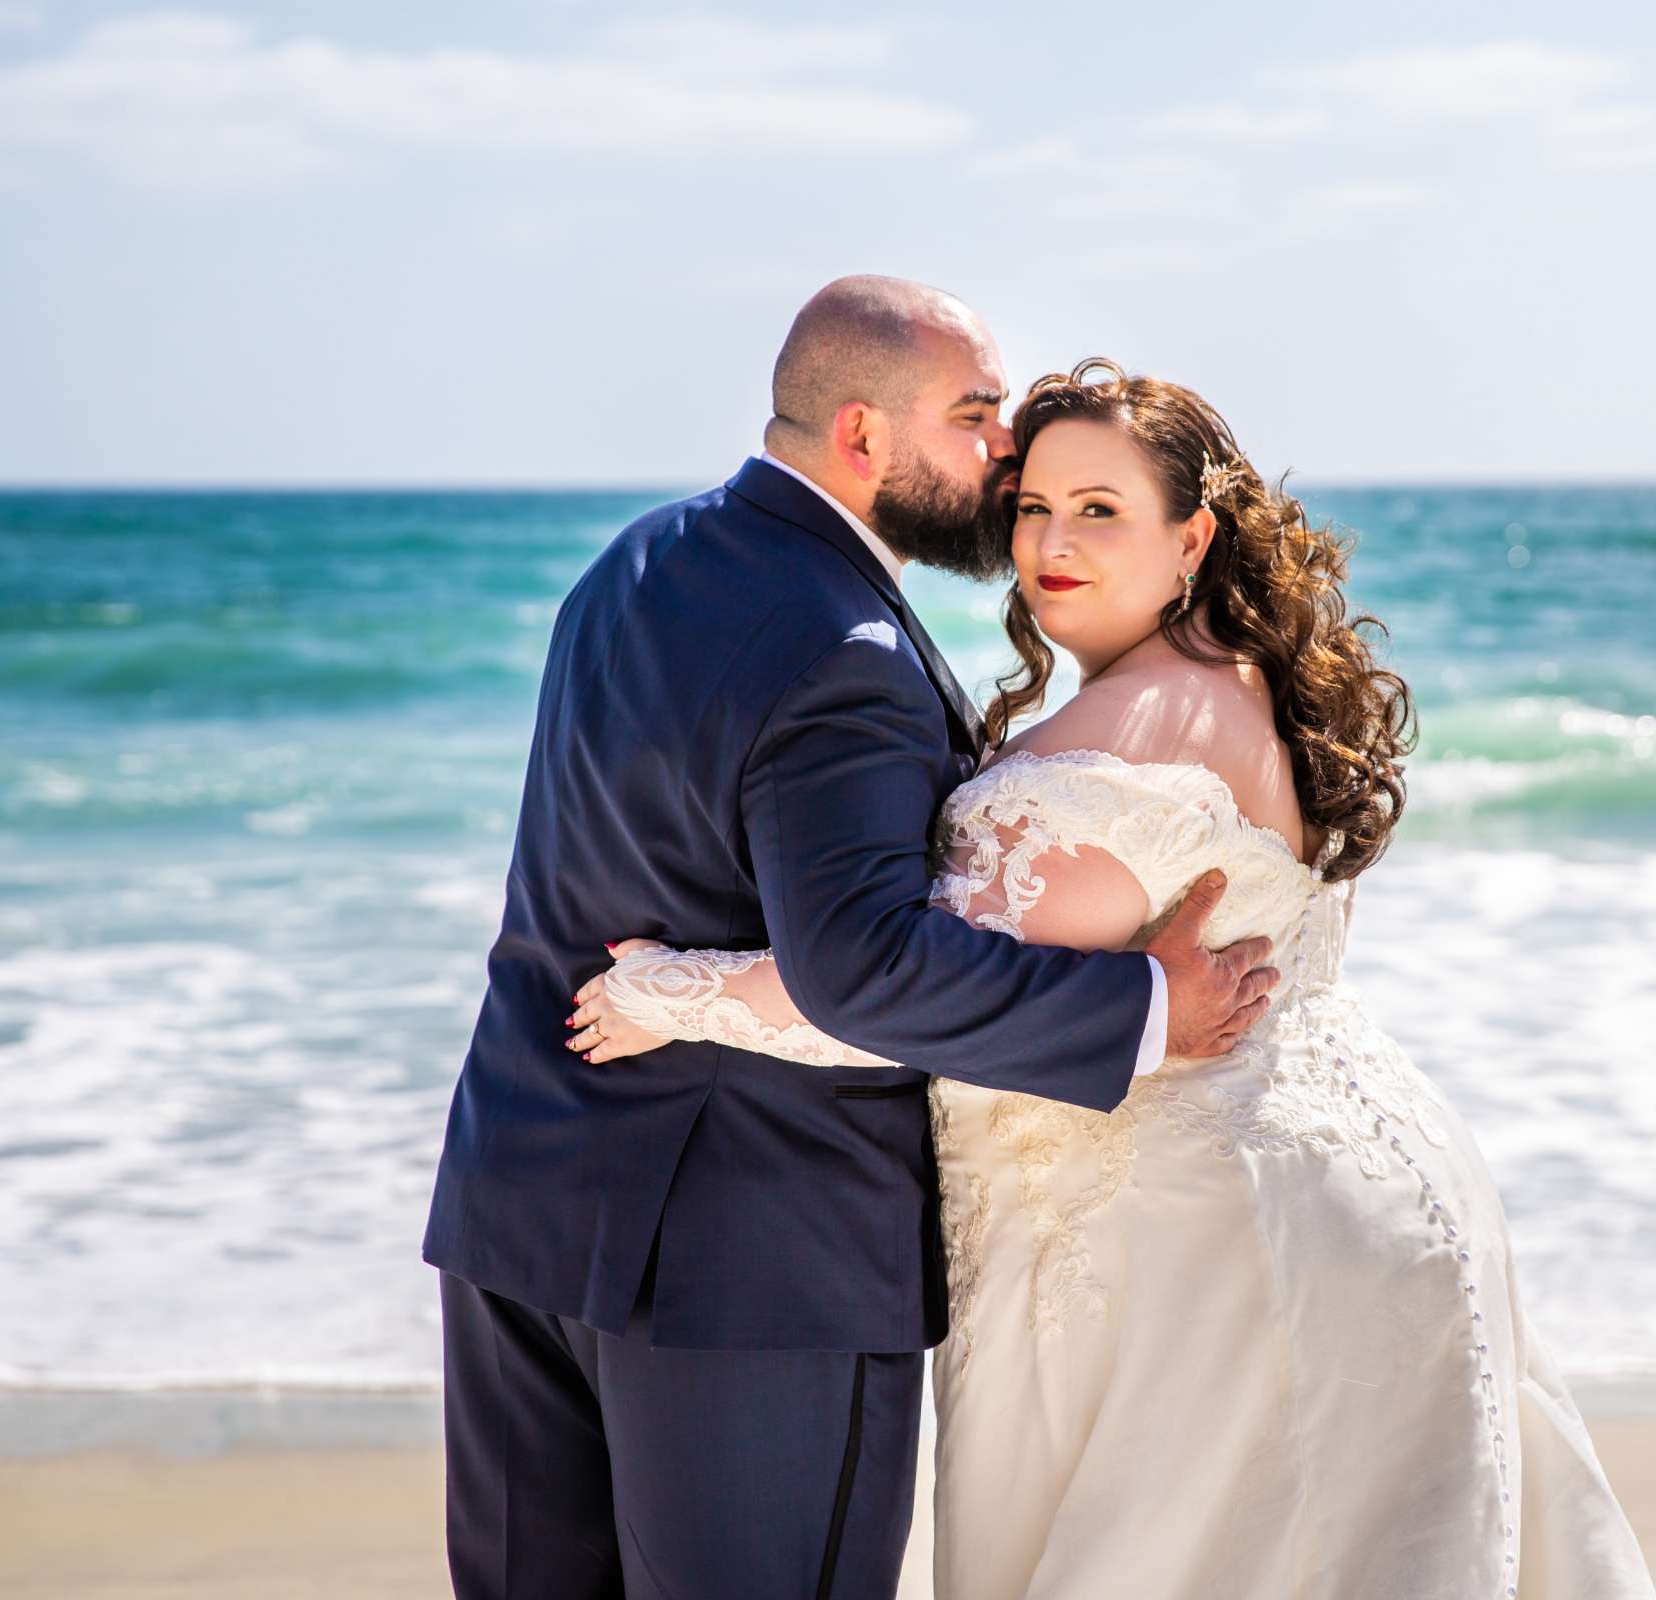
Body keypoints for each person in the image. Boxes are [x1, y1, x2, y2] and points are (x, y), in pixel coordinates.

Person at [567, 359, 1656, 1598]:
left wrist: (663, 992)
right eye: (1032, 507)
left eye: (1100, 510)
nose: (1050, 544)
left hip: (1189, 1263)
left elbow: (887, 997)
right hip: (1382, 1190)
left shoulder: (1092, 758)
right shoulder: (1253, 688)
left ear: (1191, 536)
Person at [419, 281, 1277, 1599]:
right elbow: (865, 966)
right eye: (977, 415)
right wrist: (1148, 1013)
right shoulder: (848, 646)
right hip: (753, 1268)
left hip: (519, 1208)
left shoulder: (629, 567)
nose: (1007, 452)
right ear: (867, 438)